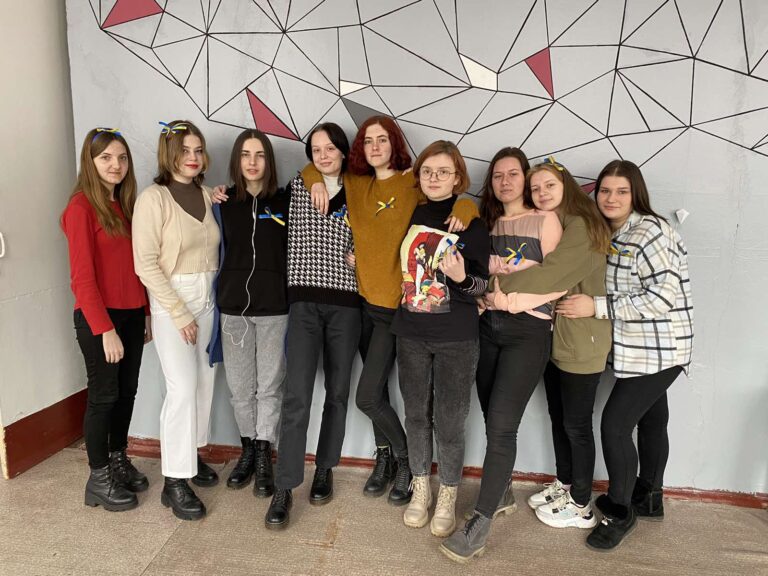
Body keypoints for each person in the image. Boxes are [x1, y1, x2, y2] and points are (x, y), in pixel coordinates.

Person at [442, 157, 612, 562]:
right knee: (490, 416)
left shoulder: (549, 221)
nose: (506, 181)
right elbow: (476, 276)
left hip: (527, 331)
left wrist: (501, 297)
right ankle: (501, 493)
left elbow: (554, 283)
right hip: (487, 329)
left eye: (514, 174)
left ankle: (480, 523)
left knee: (503, 427)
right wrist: (485, 295)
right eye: (498, 175)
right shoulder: (489, 224)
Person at [305, 116, 478, 504]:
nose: (375, 147)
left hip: (394, 311)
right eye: (368, 141)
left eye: (382, 139)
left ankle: (406, 460)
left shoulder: (412, 182)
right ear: (360, 148)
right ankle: (384, 457)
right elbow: (314, 165)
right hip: (361, 304)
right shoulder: (355, 182)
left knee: (366, 396)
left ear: (394, 143)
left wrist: (467, 206)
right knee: (378, 389)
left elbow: (449, 198)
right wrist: (314, 180)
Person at [555, 160, 693, 551]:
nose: (611, 198)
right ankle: (649, 497)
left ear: (636, 195)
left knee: (614, 427)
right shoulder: (608, 231)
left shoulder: (651, 231)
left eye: (621, 191)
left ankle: (620, 510)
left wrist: (596, 306)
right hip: (634, 349)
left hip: (660, 348)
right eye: (605, 190)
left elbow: (661, 298)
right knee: (652, 420)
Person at [390, 140, 490, 538]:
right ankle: (421, 490)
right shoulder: (409, 212)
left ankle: (447, 494)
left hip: (457, 338)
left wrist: (462, 278)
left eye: (443, 172)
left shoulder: (472, 223)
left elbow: (482, 284)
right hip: (410, 333)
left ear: (457, 178)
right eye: (428, 171)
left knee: (449, 422)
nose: (434, 178)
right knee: (415, 416)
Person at [265, 123, 361, 530]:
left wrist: (361, 254)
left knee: (338, 393)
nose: (322, 156)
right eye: (315, 150)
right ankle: (285, 485)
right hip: (304, 302)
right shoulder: (299, 186)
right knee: (297, 396)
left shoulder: (361, 191)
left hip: (347, 304)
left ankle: (325, 467)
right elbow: (259, 201)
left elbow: (382, 235)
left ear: (343, 151)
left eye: (330, 148)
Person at [133, 120, 221, 521]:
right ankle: (174, 481)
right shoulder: (153, 199)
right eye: (185, 150)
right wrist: (180, 312)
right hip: (173, 304)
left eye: (198, 150)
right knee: (182, 389)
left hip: (208, 299)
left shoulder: (205, 194)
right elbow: (146, 264)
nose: (193, 157)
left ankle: (191, 456)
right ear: (169, 153)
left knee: (204, 384)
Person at [62, 127, 151, 512]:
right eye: (106, 158)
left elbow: (135, 266)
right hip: (100, 318)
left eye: (122, 157)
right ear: (90, 161)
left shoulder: (126, 206)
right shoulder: (81, 208)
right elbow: (82, 279)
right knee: (103, 396)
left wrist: (145, 312)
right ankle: (98, 478)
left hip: (131, 314)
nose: (116, 165)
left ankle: (117, 458)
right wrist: (105, 330)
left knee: (127, 391)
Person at [211, 130, 289, 496]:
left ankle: (263, 452)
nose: (252, 162)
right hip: (234, 310)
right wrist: (212, 194)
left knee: (269, 387)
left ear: (268, 161)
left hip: (275, 309)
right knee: (240, 388)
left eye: (259, 155)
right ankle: (247, 448)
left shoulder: (287, 201)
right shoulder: (223, 202)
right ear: (237, 160)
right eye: (245, 154)